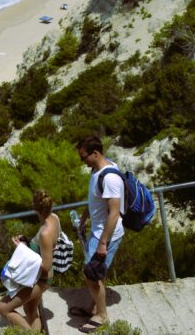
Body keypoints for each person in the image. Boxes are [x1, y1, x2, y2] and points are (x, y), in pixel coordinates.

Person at [73, 135, 124, 333]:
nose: (82, 161)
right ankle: (94, 307)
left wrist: (103, 242)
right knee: (96, 274)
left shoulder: (110, 177)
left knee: (91, 275)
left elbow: (114, 213)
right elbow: (94, 200)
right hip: (98, 231)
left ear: (95, 153)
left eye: (83, 157)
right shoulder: (96, 170)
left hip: (106, 235)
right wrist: (85, 218)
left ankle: (101, 315)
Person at [0, 190, 60, 330]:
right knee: (30, 311)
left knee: (3, 309)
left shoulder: (44, 232)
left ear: (34, 207)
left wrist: (22, 249)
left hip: (39, 279)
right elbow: (46, 247)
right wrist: (27, 243)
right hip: (42, 279)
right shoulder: (54, 218)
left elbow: (46, 265)